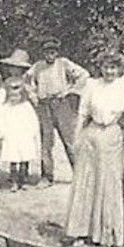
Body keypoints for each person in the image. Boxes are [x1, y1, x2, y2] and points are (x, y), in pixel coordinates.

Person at [63, 51, 124, 247]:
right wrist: (76, 137)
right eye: (106, 67)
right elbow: (82, 113)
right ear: (101, 68)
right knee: (87, 181)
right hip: (92, 135)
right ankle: (81, 231)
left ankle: (108, 234)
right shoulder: (92, 85)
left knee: (109, 182)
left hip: (112, 135)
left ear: (120, 69)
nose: (109, 71)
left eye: (113, 67)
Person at [29, 38, 89, 186]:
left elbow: (84, 75)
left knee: (70, 140)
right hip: (44, 105)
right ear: (43, 53)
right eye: (47, 52)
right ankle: (47, 176)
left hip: (62, 105)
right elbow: (27, 81)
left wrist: (71, 91)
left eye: (53, 51)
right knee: (46, 142)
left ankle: (80, 175)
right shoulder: (38, 66)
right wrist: (33, 95)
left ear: (57, 52)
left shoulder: (63, 63)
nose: (50, 54)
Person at [0, 49, 41, 192]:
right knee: (13, 154)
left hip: (23, 123)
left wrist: (30, 95)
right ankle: (14, 179)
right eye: (12, 67)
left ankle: (24, 177)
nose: (14, 70)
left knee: (25, 153)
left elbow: (33, 100)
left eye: (18, 68)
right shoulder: (6, 82)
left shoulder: (27, 82)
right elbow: (3, 99)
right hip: (11, 125)